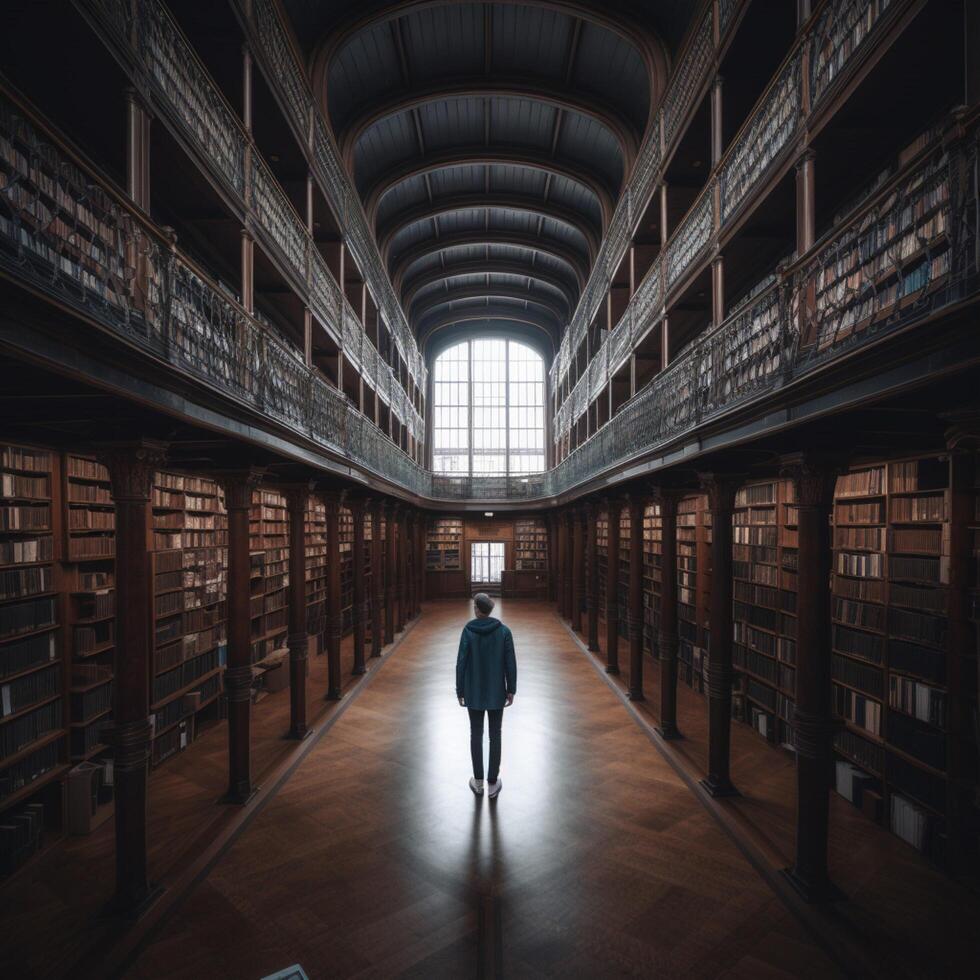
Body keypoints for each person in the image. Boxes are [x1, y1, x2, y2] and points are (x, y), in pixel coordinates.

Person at [456, 593, 517, 799]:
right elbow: (511, 663)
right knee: (495, 734)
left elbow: (461, 662)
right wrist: (511, 689)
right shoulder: (503, 632)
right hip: (496, 691)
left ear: (477, 609)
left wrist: (460, 690)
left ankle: (478, 780)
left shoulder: (468, 631)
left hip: (473, 690)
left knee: (476, 733)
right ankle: (493, 781)